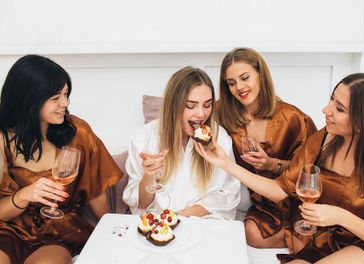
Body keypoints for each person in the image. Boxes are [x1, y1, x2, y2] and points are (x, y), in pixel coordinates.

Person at [195, 72, 364, 263]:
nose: (326, 110)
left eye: (339, 108)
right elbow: (279, 190)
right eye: (331, 99)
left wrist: (342, 217)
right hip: (323, 239)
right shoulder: (325, 138)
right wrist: (226, 163)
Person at [0, 55, 123, 264]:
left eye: (66, 94)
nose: (64, 104)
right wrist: (24, 195)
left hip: (58, 232)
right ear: (28, 99)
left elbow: (95, 190)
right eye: (55, 98)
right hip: (9, 229)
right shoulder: (3, 140)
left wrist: (110, 231)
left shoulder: (78, 132)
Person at [216, 47, 317, 247]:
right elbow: (191, 113)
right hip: (263, 202)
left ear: (261, 75)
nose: (239, 87)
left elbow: (310, 171)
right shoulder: (222, 114)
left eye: (245, 78)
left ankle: (311, 236)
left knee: (306, 236)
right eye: (231, 83)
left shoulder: (292, 118)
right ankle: (301, 237)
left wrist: (272, 164)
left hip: (297, 196)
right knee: (251, 234)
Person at [122, 66, 241, 219]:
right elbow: (141, 204)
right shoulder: (143, 138)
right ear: (173, 105)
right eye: (190, 106)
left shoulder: (219, 138)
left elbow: (227, 195)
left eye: (207, 105)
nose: (201, 114)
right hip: (159, 225)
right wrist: (149, 175)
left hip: (203, 222)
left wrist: (179, 217)